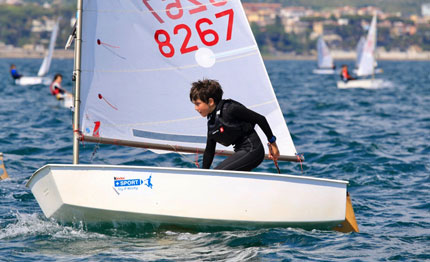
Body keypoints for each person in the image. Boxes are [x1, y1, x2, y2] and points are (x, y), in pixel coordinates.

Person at [190, 79, 280, 171]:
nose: (195, 108)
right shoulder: (212, 122)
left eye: (198, 104)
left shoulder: (229, 109)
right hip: (241, 151)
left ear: (210, 101)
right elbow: (209, 150)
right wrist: (204, 174)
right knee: (216, 175)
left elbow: (260, 119)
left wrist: (273, 144)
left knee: (218, 174)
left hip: (252, 149)